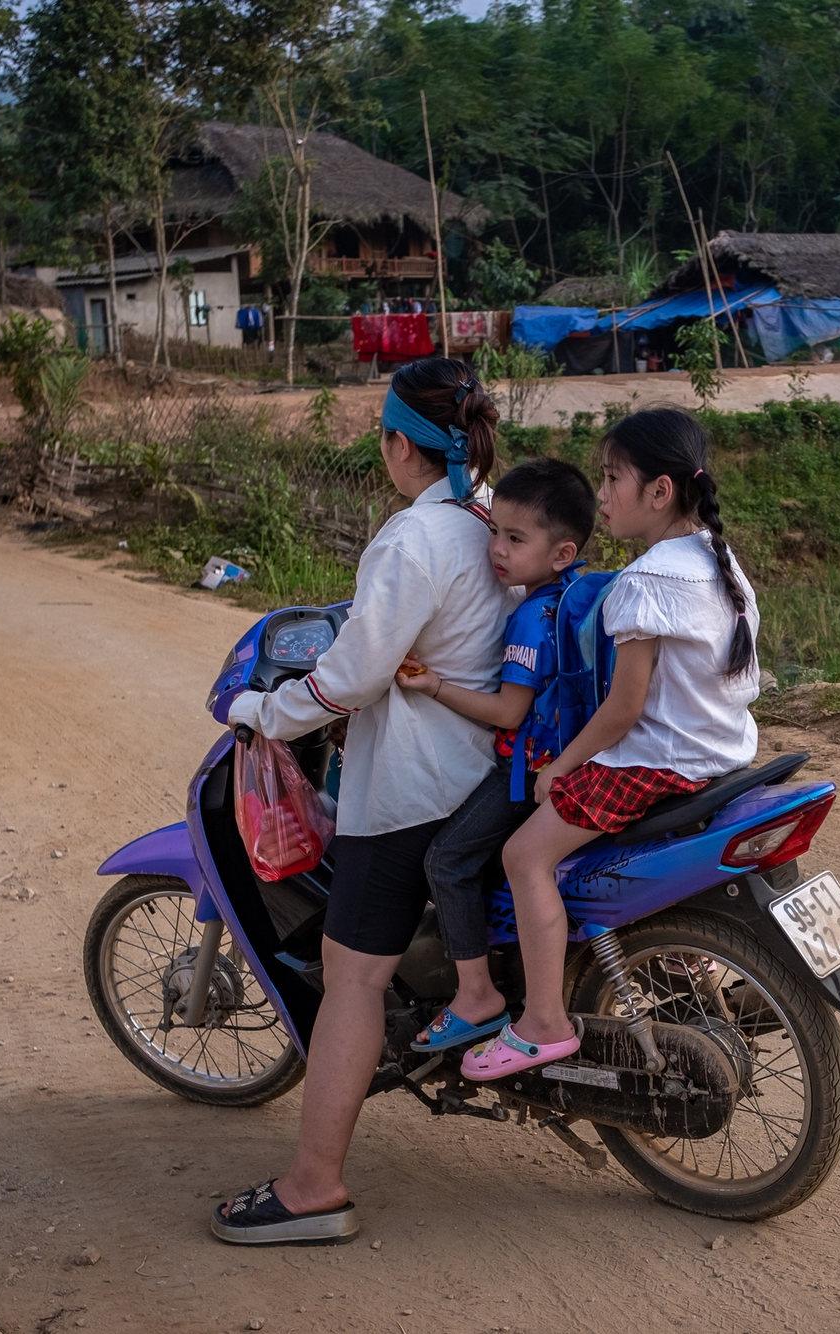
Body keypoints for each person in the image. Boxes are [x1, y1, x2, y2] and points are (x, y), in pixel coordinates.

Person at [209, 357, 513, 1246]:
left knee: (353, 974)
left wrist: (267, 709)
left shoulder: (413, 539)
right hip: (490, 772)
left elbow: (351, 675)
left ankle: (313, 1186)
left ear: (396, 443)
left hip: (416, 787)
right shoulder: (495, 517)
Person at [461, 407, 761, 1082]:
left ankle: (542, 1022)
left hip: (657, 764)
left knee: (522, 855)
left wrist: (560, 766)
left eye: (612, 478)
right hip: (723, 756)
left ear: (659, 492)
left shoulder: (645, 582)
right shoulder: (719, 563)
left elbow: (623, 710)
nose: (601, 495)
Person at [391, 458, 599, 1051]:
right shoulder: (575, 595)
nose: (496, 550)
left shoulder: (531, 617)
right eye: (494, 532)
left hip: (531, 771)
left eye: (514, 538)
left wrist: (433, 685)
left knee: (446, 860)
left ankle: (476, 993)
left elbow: (509, 713)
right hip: (579, 756)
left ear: (560, 552)